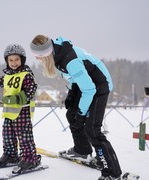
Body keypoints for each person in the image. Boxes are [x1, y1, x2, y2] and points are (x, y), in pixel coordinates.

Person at [30, 35, 122, 180]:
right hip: (86, 84)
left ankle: (112, 172)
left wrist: (81, 114)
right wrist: (72, 93)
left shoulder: (69, 60)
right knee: (71, 115)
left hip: (99, 86)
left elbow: (89, 89)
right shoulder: (57, 55)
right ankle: (82, 150)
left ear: (45, 53)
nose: (37, 59)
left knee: (92, 129)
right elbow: (76, 78)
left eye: (38, 56)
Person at [0, 44, 41, 173]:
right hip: (9, 113)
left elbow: (31, 90)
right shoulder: (7, 75)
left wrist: (15, 99)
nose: (14, 63)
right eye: (10, 60)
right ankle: (11, 155)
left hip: (22, 112)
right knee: (7, 136)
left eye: (16, 59)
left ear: (22, 59)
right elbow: (1, 81)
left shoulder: (26, 74)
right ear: (7, 61)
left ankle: (30, 158)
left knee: (24, 137)